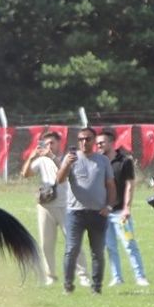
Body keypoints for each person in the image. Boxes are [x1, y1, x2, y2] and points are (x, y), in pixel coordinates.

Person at [21, 131, 86, 286]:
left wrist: (51, 156)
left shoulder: (68, 158)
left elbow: (66, 172)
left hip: (66, 205)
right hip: (46, 206)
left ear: (59, 144)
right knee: (46, 244)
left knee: (73, 241)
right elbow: (26, 174)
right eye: (47, 143)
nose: (49, 146)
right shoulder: (41, 160)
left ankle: (83, 275)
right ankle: (51, 276)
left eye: (52, 143)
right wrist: (31, 157)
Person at [56, 126, 116, 294]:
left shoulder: (102, 161)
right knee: (71, 249)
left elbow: (111, 186)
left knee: (97, 251)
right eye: (81, 139)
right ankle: (68, 286)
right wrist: (66, 164)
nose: (84, 142)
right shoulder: (71, 159)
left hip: (98, 213)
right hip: (75, 213)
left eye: (88, 139)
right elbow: (59, 180)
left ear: (94, 141)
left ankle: (96, 288)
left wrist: (109, 206)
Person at [97, 129, 148, 287]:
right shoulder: (98, 162)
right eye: (97, 143)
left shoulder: (125, 161)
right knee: (110, 247)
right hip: (104, 213)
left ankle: (140, 276)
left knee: (129, 244)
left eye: (102, 142)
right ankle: (117, 277)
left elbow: (129, 185)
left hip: (120, 213)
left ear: (112, 143)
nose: (99, 145)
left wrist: (127, 208)